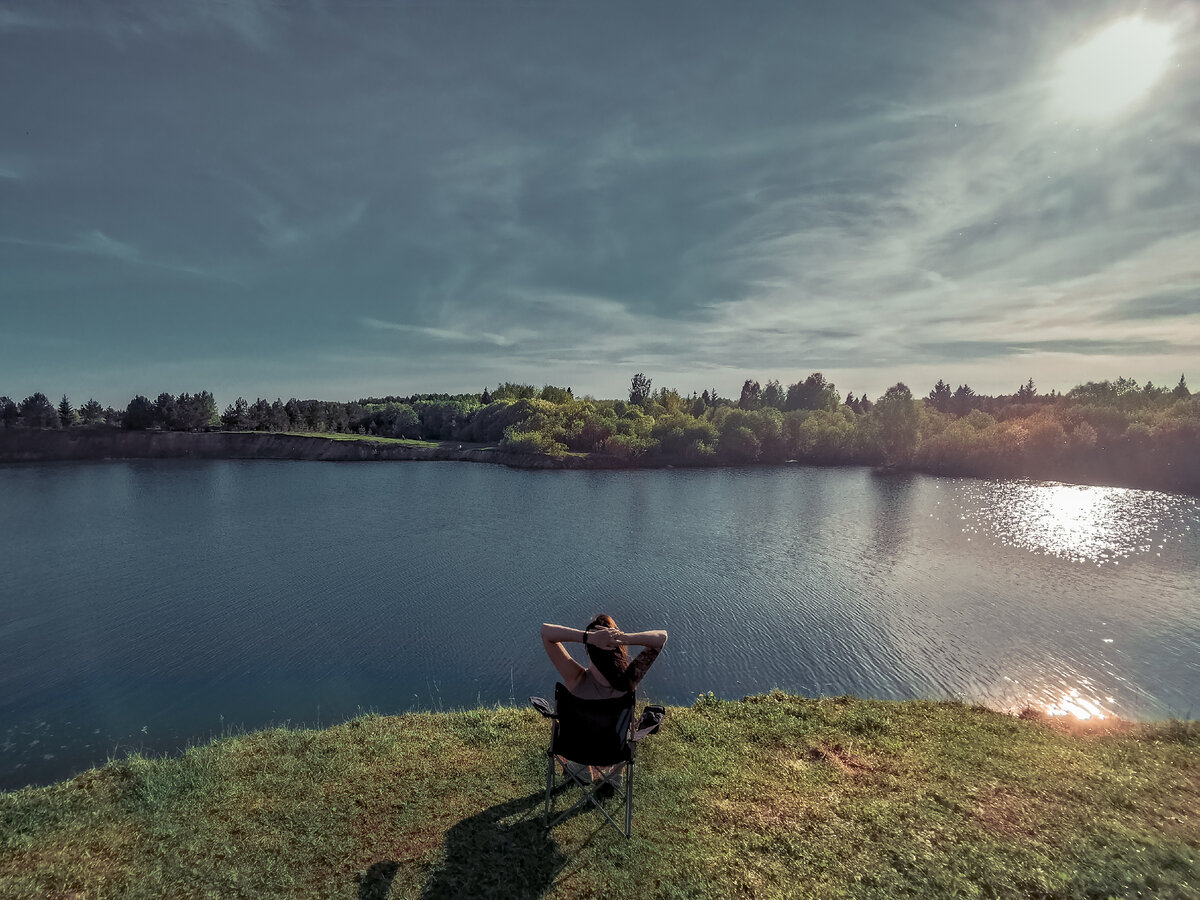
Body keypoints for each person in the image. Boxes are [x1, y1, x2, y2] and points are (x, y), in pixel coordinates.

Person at [540, 614, 667, 787]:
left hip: (575, 749)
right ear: (619, 649)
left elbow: (546, 632)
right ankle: (614, 776)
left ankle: (581, 770)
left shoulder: (576, 678)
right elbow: (661, 638)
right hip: (614, 752)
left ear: (589, 649)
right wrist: (621, 638)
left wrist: (589, 637)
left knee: (584, 728)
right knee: (626, 730)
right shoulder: (629, 681)